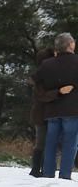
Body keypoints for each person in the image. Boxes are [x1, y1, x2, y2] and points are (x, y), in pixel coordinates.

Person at [35, 33, 78, 179]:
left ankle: (48, 173)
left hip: (52, 109)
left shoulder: (47, 64)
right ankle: (65, 175)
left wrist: (56, 92)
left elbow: (36, 82)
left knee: (50, 142)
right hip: (73, 109)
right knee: (70, 143)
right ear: (70, 45)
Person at [29, 47, 60, 177]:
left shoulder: (41, 76)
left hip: (44, 113)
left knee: (45, 143)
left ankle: (40, 168)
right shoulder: (39, 78)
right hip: (41, 114)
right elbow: (43, 96)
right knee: (41, 143)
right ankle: (36, 169)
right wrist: (58, 92)